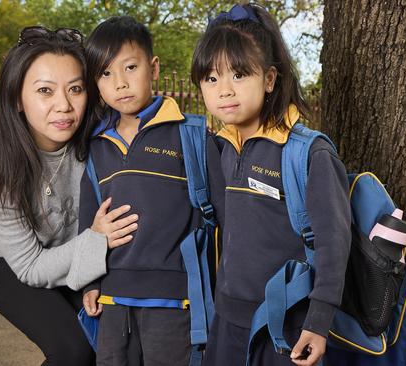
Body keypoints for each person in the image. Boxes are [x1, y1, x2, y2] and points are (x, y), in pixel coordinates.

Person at [0, 26, 139, 366]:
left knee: (112, 337)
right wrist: (96, 240)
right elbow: (31, 268)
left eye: (75, 89)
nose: (64, 105)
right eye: (45, 91)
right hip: (3, 261)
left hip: (69, 247)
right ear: (17, 98)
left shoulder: (98, 142)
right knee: (73, 350)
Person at [191, 4, 351, 366]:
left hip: (285, 324)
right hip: (227, 319)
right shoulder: (223, 150)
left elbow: (334, 243)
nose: (224, 91)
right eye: (211, 79)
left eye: (239, 75)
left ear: (269, 79)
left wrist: (319, 320)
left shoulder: (308, 152)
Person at [79, 16, 225, 366]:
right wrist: (90, 283)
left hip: (175, 302)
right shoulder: (96, 146)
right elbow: (89, 222)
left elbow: (225, 220)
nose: (120, 83)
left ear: (154, 67)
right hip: (112, 303)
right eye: (105, 74)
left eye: (130, 67)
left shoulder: (190, 134)